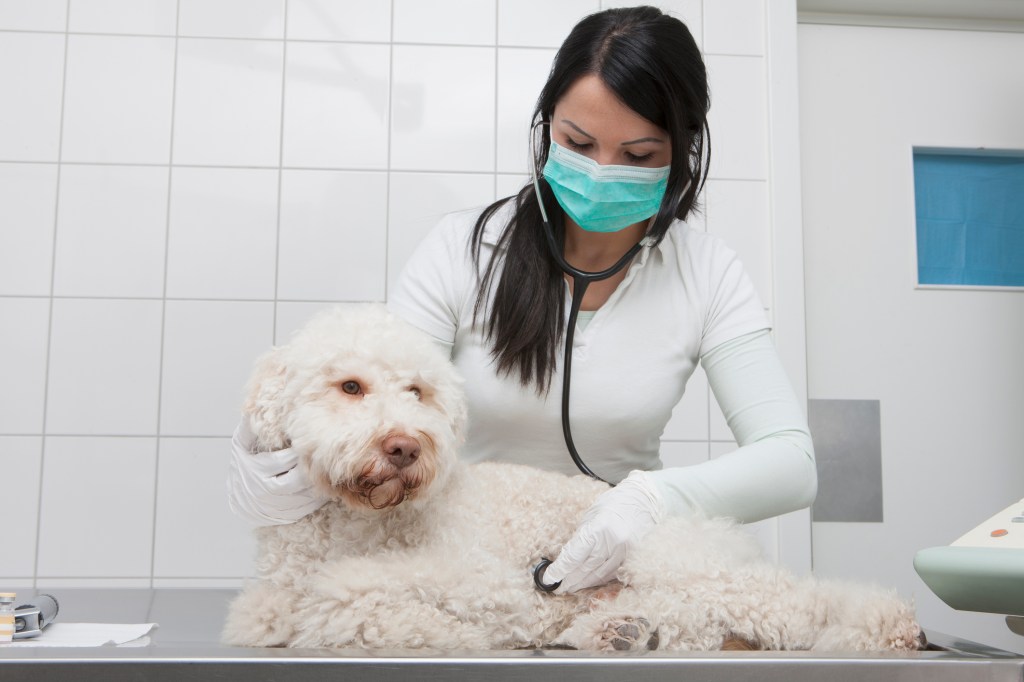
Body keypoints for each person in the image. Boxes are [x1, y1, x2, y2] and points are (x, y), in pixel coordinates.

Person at [228, 5, 816, 595]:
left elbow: (790, 463)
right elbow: (385, 407)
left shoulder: (707, 273)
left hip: (620, 570)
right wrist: (280, 466)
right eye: (578, 142)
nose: (602, 170)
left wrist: (650, 499)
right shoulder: (462, 249)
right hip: (458, 564)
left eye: (638, 155)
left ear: (682, 152)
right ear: (546, 128)